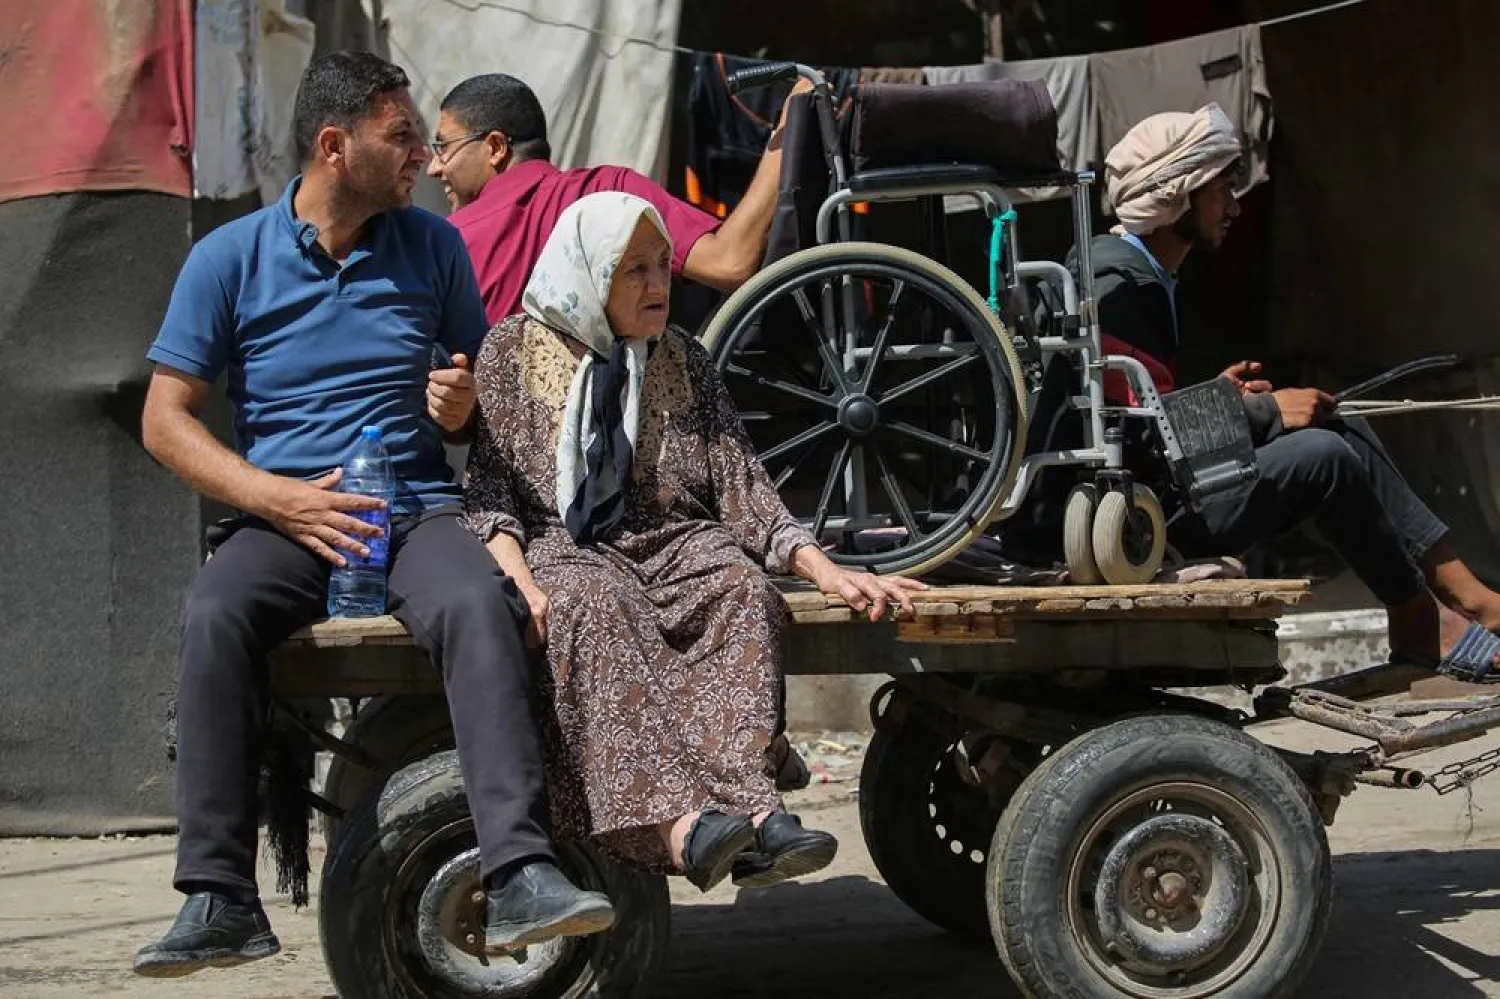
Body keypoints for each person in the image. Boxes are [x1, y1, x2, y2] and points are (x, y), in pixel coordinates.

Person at [132, 52, 614, 979]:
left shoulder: (433, 247)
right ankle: (219, 896)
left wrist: (463, 406)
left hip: (413, 509)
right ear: (332, 145)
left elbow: (494, 393)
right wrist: (276, 497)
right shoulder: (227, 258)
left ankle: (519, 869)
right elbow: (164, 419)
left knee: (479, 603)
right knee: (215, 612)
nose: (421, 161)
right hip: (285, 518)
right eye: (400, 138)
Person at [462, 191, 924, 888]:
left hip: (672, 540)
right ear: (590, 273)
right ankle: (678, 826)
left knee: (741, 586)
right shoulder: (510, 352)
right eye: (635, 271)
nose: (658, 286)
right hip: (561, 543)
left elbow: (743, 486)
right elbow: (490, 494)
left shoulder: (681, 356)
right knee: (593, 600)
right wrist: (519, 581)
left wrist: (827, 572)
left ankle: (758, 813)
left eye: (662, 267)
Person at [1079, 102, 1500, 679]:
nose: (1234, 206)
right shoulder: (1122, 284)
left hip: (1154, 491)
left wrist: (1220, 396)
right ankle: (1423, 616)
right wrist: (1256, 411)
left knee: (1334, 423)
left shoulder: (1136, 270)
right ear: (1178, 193)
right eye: (1221, 189)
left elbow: (1137, 402)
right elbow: (1124, 438)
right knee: (1321, 456)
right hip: (1142, 519)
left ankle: (1463, 602)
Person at [426, 72, 797, 324]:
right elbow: (728, 262)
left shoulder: (442, 242)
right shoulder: (608, 189)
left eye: (443, 146)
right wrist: (789, 128)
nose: (434, 167)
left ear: (495, 147)